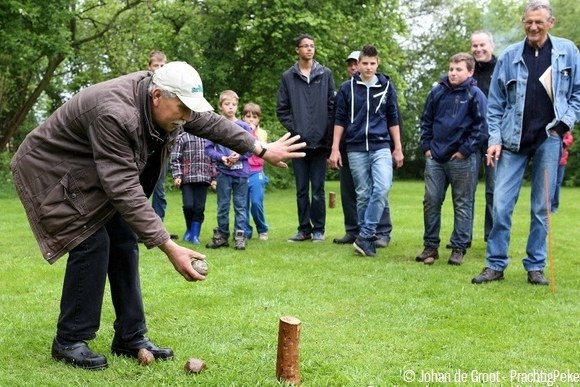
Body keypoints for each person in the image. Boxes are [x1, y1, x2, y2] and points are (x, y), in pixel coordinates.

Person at [10, 61, 305, 370]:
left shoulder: (168, 100)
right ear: (157, 96)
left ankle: (131, 336)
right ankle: (69, 340)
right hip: (51, 170)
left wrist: (259, 149)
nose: (186, 117)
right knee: (90, 242)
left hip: (91, 170)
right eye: (181, 108)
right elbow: (123, 187)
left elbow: (209, 122)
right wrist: (169, 246)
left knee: (124, 240)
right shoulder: (115, 113)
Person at [472, 0, 580, 285]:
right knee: (501, 205)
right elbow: (494, 105)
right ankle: (495, 265)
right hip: (512, 140)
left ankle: (536, 266)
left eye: (539, 22)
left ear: (550, 22)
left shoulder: (568, 52)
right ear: (524, 23)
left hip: (548, 138)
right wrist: (494, 139)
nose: (533, 27)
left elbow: (577, 95)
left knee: (541, 208)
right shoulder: (509, 56)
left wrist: (563, 124)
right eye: (528, 22)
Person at [328, 45, 404, 257]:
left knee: (381, 187)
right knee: (362, 194)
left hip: (381, 145)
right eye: (364, 63)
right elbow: (340, 119)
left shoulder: (386, 86)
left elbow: (393, 118)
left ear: (377, 63)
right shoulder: (347, 88)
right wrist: (335, 149)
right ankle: (366, 241)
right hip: (356, 147)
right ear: (358, 65)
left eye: (372, 63)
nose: (368, 67)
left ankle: (366, 233)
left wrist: (397, 148)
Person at [415, 53, 486, 266]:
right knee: (431, 201)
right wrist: (426, 146)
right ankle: (430, 247)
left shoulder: (475, 95)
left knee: (463, 203)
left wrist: (465, 150)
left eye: (458, 69)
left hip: (462, 159)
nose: (453, 73)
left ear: (470, 72)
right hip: (436, 157)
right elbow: (426, 120)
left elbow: (481, 127)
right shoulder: (437, 92)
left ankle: (458, 248)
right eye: (451, 69)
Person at [277, 33, 335, 243]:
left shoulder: (325, 74)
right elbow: (282, 110)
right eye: (305, 46)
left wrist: (326, 132)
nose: (309, 49)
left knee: (318, 189)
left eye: (312, 46)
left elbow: (332, 106)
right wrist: (296, 130)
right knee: (302, 190)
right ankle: (304, 229)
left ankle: (319, 229)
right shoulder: (288, 77)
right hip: (299, 143)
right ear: (297, 50)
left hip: (320, 143)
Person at [205, 90, 252, 250]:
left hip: (241, 173)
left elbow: (252, 149)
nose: (230, 107)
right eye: (227, 104)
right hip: (223, 173)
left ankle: (240, 236)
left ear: (237, 106)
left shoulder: (244, 126)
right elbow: (209, 149)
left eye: (233, 104)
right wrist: (221, 158)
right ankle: (222, 236)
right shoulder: (216, 125)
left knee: (240, 205)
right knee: (223, 206)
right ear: (220, 106)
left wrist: (239, 155)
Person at [468, 30, 497, 244]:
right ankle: (463, 236)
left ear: (492, 46)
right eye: (474, 46)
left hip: (495, 139)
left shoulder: (502, 69)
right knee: (465, 192)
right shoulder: (467, 71)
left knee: (493, 191)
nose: (478, 49)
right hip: (470, 140)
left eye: (482, 45)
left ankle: (492, 236)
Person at [147, 50, 178, 239]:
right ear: (149, 67)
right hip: (142, 150)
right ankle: (139, 228)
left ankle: (159, 227)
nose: (159, 69)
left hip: (161, 150)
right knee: (137, 190)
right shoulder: (143, 90)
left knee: (159, 189)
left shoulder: (172, 89)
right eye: (155, 66)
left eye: (162, 66)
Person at [170, 130, 216, 244]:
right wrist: (177, 175)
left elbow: (214, 159)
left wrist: (214, 178)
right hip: (187, 178)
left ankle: (195, 235)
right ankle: (189, 229)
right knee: (188, 206)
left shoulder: (208, 137)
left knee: (199, 208)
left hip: (203, 178)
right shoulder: (182, 137)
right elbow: (175, 158)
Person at [242, 102, 270, 241]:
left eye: (254, 117)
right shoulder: (239, 131)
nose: (251, 119)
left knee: (256, 202)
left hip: (256, 171)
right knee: (243, 204)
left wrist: (251, 131)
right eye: (248, 116)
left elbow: (260, 148)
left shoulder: (262, 133)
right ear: (243, 117)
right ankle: (246, 231)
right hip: (242, 171)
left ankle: (262, 229)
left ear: (258, 119)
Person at [552, 131, 574, 213]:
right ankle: (546, 205)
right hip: (551, 161)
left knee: (557, 184)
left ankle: (554, 206)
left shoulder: (566, 132)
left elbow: (569, 140)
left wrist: (561, 142)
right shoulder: (553, 131)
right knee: (550, 184)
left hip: (561, 162)